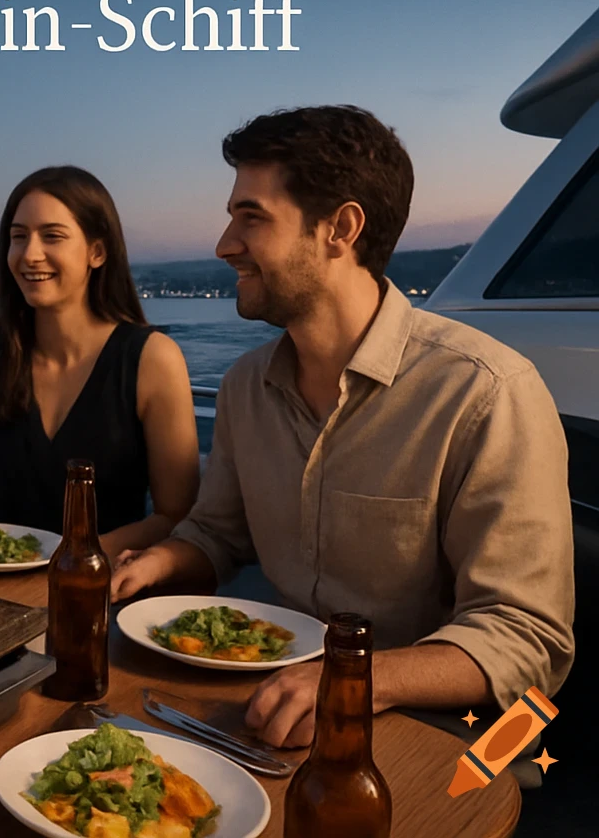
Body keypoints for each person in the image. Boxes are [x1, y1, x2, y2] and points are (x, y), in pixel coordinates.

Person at [112, 105, 575, 749]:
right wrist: (154, 562)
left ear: (341, 228)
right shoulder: (248, 385)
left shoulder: (485, 393)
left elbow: (528, 639)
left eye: (251, 217)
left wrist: (361, 680)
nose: (223, 244)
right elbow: (218, 532)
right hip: (283, 698)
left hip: (438, 726)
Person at [0, 166, 201, 556]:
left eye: (52, 236)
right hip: (0, 591)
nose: (30, 254)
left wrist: (71, 560)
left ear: (98, 251)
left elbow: (176, 518)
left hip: (103, 594)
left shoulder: (151, 359)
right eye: (18, 237)